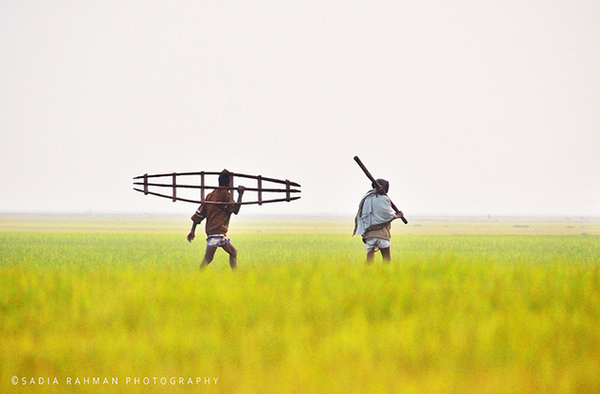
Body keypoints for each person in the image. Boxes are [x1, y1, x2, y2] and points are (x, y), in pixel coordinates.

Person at [187, 169, 245, 270]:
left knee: (233, 252)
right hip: (216, 231)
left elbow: (199, 214)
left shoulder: (211, 195)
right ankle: (196, 276)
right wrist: (240, 195)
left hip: (217, 232)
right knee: (208, 258)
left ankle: (237, 277)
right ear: (229, 183)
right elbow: (235, 210)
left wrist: (192, 230)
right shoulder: (226, 195)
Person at [353, 179, 404, 264]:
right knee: (386, 258)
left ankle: (364, 275)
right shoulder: (384, 198)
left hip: (369, 234)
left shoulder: (367, 198)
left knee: (369, 259)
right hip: (382, 234)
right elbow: (388, 216)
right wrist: (398, 216)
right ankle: (385, 275)